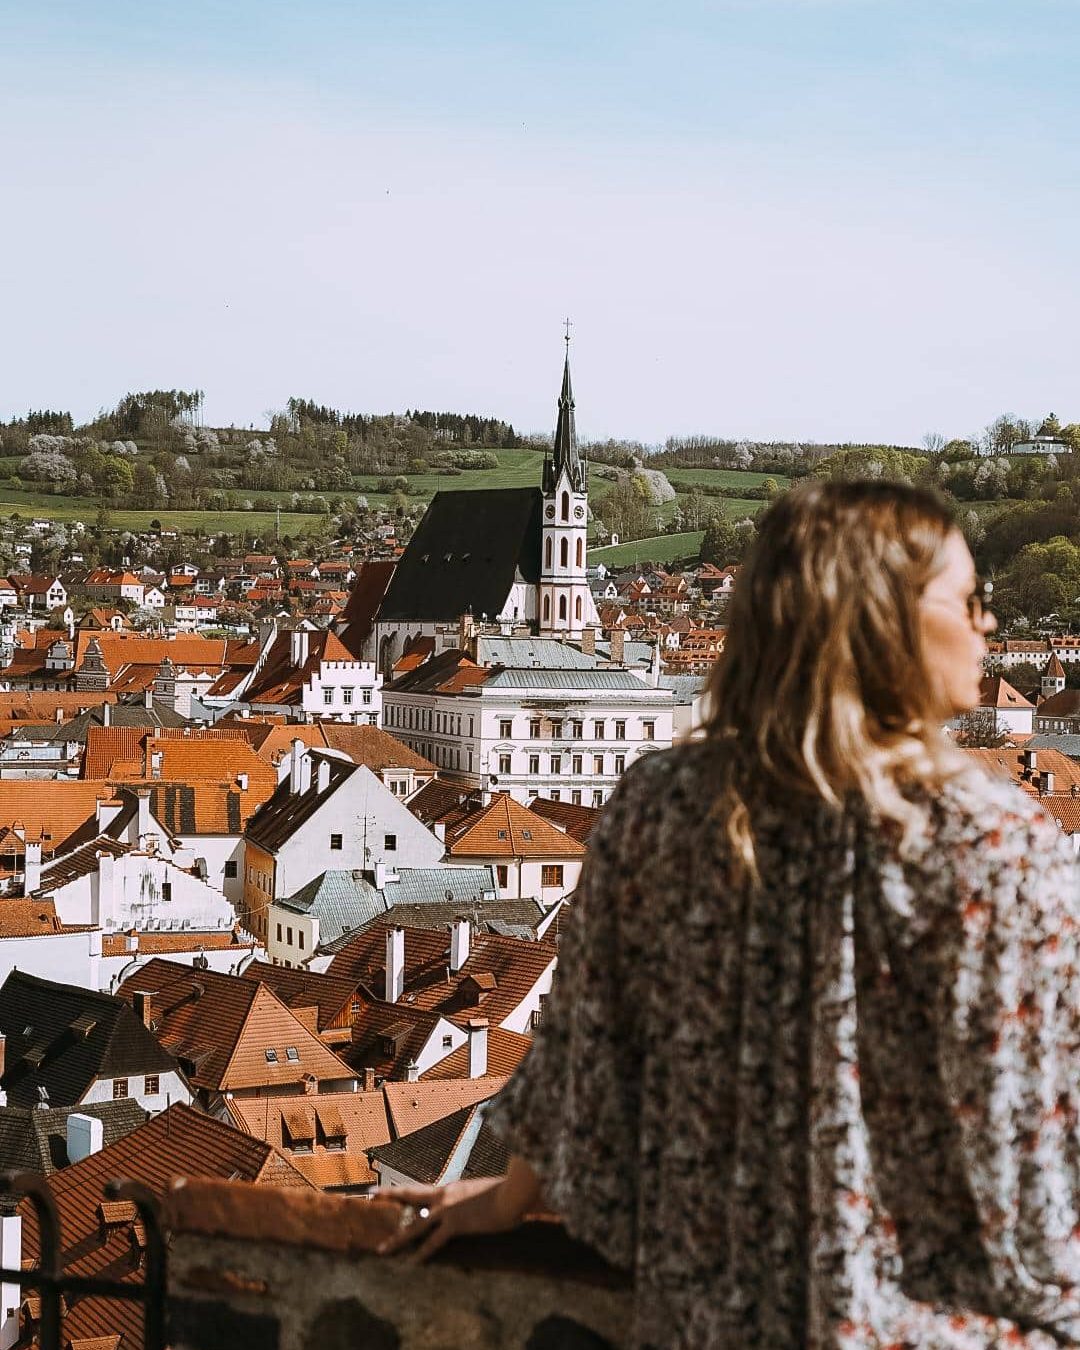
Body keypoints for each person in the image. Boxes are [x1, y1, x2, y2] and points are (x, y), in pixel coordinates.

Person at [380, 480, 1080, 1349]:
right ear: (878, 622)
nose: (986, 622)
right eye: (967, 598)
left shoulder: (658, 808)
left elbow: (585, 1050)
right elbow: (1047, 1135)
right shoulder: (998, 842)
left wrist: (511, 1195)